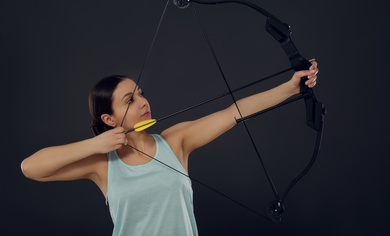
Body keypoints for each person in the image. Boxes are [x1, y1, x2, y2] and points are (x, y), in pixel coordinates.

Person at [21, 59, 318, 235]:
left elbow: (234, 112)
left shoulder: (174, 141)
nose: (144, 102)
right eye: (130, 100)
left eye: (141, 94)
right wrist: (94, 144)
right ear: (109, 118)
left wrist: (291, 88)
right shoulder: (102, 164)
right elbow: (30, 168)